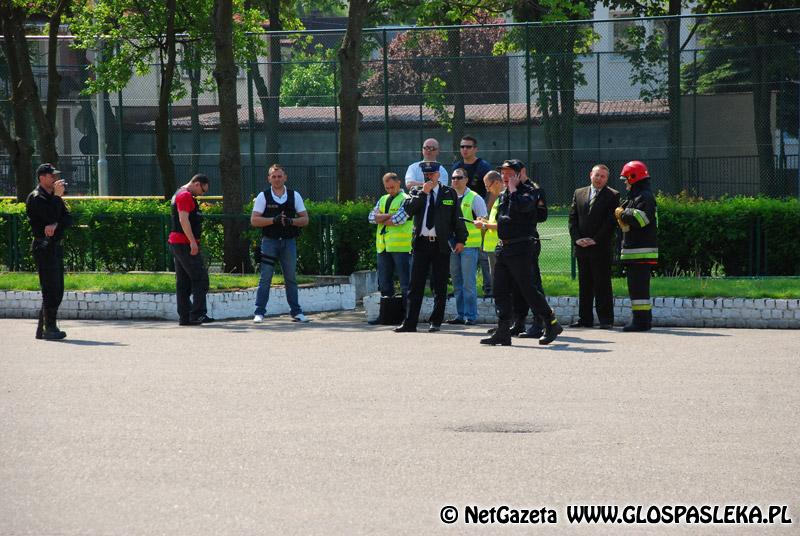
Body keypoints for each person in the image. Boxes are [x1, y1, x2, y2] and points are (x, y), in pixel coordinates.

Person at [481, 159, 562, 346]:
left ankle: (551, 322)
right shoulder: (506, 192)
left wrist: (515, 189)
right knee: (500, 289)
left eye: (510, 172)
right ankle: (503, 330)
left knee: (528, 288)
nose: (505, 176)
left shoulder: (530, 191)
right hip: (504, 246)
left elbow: (524, 209)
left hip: (521, 246)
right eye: (503, 173)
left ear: (521, 172)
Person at [394, 161, 467, 333]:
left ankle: (436, 321)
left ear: (438, 175)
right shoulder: (416, 192)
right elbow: (408, 211)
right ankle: (410, 323)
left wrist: (461, 239)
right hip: (421, 244)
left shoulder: (449, 193)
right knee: (415, 285)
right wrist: (423, 194)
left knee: (439, 284)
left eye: (431, 174)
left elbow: (457, 218)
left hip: (440, 244)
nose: (428, 177)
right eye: (426, 174)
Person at [251, 164, 311, 323]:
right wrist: (273, 220)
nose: (277, 179)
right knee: (265, 278)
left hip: (288, 242)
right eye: (273, 176)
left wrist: (291, 221)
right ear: (269, 178)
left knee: (290, 277)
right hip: (269, 242)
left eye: (279, 176)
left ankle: (296, 312)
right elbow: (254, 220)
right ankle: (259, 312)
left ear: (285, 177)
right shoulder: (263, 196)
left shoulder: (294, 195)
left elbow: (305, 219)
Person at [568, 164, 620, 329]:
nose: (599, 179)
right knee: (585, 285)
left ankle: (606, 320)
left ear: (607, 179)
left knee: (602, 284)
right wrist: (577, 239)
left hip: (600, 248)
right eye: (597, 175)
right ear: (591, 174)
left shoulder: (613, 195)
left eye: (603, 176)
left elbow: (610, 223)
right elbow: (572, 219)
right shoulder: (579, 193)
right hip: (581, 247)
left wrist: (595, 239)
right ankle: (585, 319)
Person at [26, 163, 72, 340]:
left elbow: (67, 219)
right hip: (43, 246)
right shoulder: (37, 197)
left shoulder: (53, 197)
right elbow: (49, 215)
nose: (55, 179)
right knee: (50, 288)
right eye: (51, 176)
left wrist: (55, 224)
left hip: (54, 246)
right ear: (42, 178)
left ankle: (43, 327)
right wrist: (57, 200)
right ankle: (49, 327)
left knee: (57, 287)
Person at [615, 160, 658, 332]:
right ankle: (642, 320)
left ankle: (641, 322)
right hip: (636, 252)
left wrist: (623, 214)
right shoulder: (637, 196)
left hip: (641, 253)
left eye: (626, 178)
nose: (625, 182)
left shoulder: (644, 196)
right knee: (637, 289)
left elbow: (642, 219)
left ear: (634, 177)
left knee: (639, 290)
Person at [168, 173, 214, 326]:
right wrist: (192, 242)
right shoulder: (185, 196)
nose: (202, 194)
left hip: (178, 242)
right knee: (200, 278)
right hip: (184, 243)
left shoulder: (178, 193)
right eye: (203, 190)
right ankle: (197, 314)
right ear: (196, 184)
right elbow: (183, 219)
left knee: (183, 282)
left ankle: (185, 316)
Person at [368, 172, 413, 324]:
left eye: (392, 187)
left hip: (401, 248)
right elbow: (370, 217)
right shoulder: (383, 199)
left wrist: (381, 217)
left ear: (399, 183)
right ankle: (387, 316)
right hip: (383, 247)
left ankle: (408, 317)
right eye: (387, 188)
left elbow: (399, 220)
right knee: (385, 283)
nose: (390, 190)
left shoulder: (407, 200)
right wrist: (387, 217)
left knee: (406, 283)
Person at [446, 167, 487, 325]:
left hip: (469, 245)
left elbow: (483, 220)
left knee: (468, 283)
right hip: (452, 246)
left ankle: (471, 316)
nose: (455, 180)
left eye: (459, 177)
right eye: (453, 178)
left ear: (466, 180)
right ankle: (460, 314)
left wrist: (480, 223)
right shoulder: (448, 196)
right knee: (456, 282)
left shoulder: (474, 198)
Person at [476, 170, 503, 289]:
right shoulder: (498, 199)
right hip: (493, 247)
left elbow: (503, 225)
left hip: (499, 247)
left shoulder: (504, 200)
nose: (487, 190)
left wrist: (484, 226)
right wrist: (485, 222)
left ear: (496, 182)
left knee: (499, 284)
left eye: (488, 186)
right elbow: (496, 223)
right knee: (496, 283)